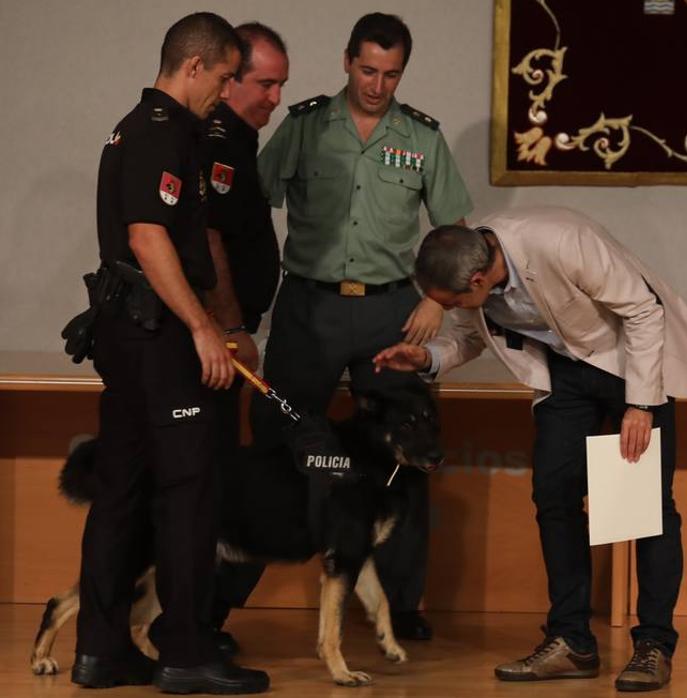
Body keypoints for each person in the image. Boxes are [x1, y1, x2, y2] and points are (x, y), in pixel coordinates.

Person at [372, 205, 687, 691]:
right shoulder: (472, 275)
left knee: (647, 507)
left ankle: (653, 645)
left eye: (454, 301)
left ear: (480, 277)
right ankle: (571, 641)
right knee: (554, 497)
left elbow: (643, 310)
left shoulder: (559, 241)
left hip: (635, 364)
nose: (454, 308)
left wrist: (641, 406)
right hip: (564, 375)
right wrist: (427, 357)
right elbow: (468, 340)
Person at [252, 12, 473, 641]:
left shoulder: (422, 137)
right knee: (275, 445)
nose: (377, 85)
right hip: (309, 306)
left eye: (391, 73)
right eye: (368, 69)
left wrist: (436, 298)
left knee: (410, 453)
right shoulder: (303, 127)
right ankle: (218, 601)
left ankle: (401, 605)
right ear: (347, 59)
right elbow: (248, 205)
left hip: (389, 312)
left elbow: (458, 233)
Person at [73, 12, 268, 693]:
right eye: (222, 76)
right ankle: (185, 653)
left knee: (120, 491)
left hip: (128, 338)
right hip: (158, 339)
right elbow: (150, 236)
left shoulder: (136, 127)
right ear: (193, 66)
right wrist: (204, 329)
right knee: (188, 493)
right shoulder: (163, 132)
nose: (225, 91)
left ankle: (100, 651)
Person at [200, 21, 287, 656]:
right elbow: (210, 242)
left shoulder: (243, 139)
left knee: (231, 477)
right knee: (214, 482)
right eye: (264, 83)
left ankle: (202, 620)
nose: (275, 97)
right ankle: (196, 621)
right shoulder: (218, 142)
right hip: (221, 341)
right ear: (230, 80)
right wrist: (231, 329)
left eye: (282, 84)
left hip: (237, 333)